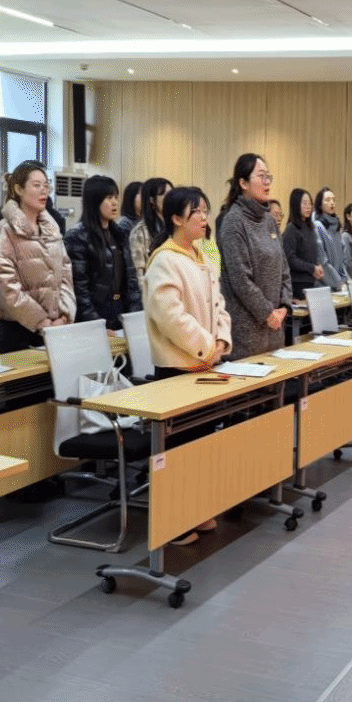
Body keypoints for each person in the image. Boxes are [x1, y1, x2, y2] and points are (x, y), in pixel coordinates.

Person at [144, 186, 230, 544]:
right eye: (197, 212)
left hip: (204, 365)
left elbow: (219, 304)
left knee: (201, 445)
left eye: (206, 210)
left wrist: (221, 340)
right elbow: (172, 319)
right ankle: (176, 522)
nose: (204, 218)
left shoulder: (201, 255)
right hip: (177, 368)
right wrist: (207, 347)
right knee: (179, 448)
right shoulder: (164, 260)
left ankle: (196, 508)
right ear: (177, 218)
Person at [0, 160, 75, 352]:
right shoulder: (3, 231)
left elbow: (66, 274)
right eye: (36, 185)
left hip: (56, 328)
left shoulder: (52, 229)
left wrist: (64, 316)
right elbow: (4, 285)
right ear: (18, 189)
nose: (44, 191)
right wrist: (41, 321)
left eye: (46, 185)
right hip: (19, 331)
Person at [218, 153, 293, 358]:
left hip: (276, 327)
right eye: (261, 176)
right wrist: (267, 313)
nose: (267, 182)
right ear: (243, 183)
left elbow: (284, 268)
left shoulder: (269, 221)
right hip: (247, 335)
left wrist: (284, 306)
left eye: (268, 176)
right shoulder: (233, 222)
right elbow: (241, 280)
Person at [64, 175, 141, 333]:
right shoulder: (77, 236)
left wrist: (135, 317)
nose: (114, 202)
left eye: (116, 197)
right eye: (108, 198)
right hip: (95, 315)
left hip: (120, 310)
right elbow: (80, 290)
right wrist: (96, 325)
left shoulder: (120, 234)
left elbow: (131, 282)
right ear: (94, 201)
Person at [129, 176, 172, 283]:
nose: (170, 198)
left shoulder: (177, 227)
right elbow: (139, 274)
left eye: (171, 194)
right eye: (164, 194)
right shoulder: (140, 232)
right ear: (152, 200)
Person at [283, 187, 324, 300]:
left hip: (311, 281)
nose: (308, 207)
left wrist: (317, 266)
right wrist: (312, 268)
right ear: (296, 205)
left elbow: (310, 254)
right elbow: (290, 259)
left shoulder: (310, 228)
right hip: (297, 284)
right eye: (304, 203)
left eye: (310, 203)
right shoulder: (291, 229)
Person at [313, 186, 346, 290]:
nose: (332, 203)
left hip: (339, 285)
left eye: (333, 200)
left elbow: (342, 258)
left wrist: (344, 279)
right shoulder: (317, 226)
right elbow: (322, 260)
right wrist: (338, 283)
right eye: (327, 200)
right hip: (324, 285)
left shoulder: (336, 226)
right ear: (320, 204)